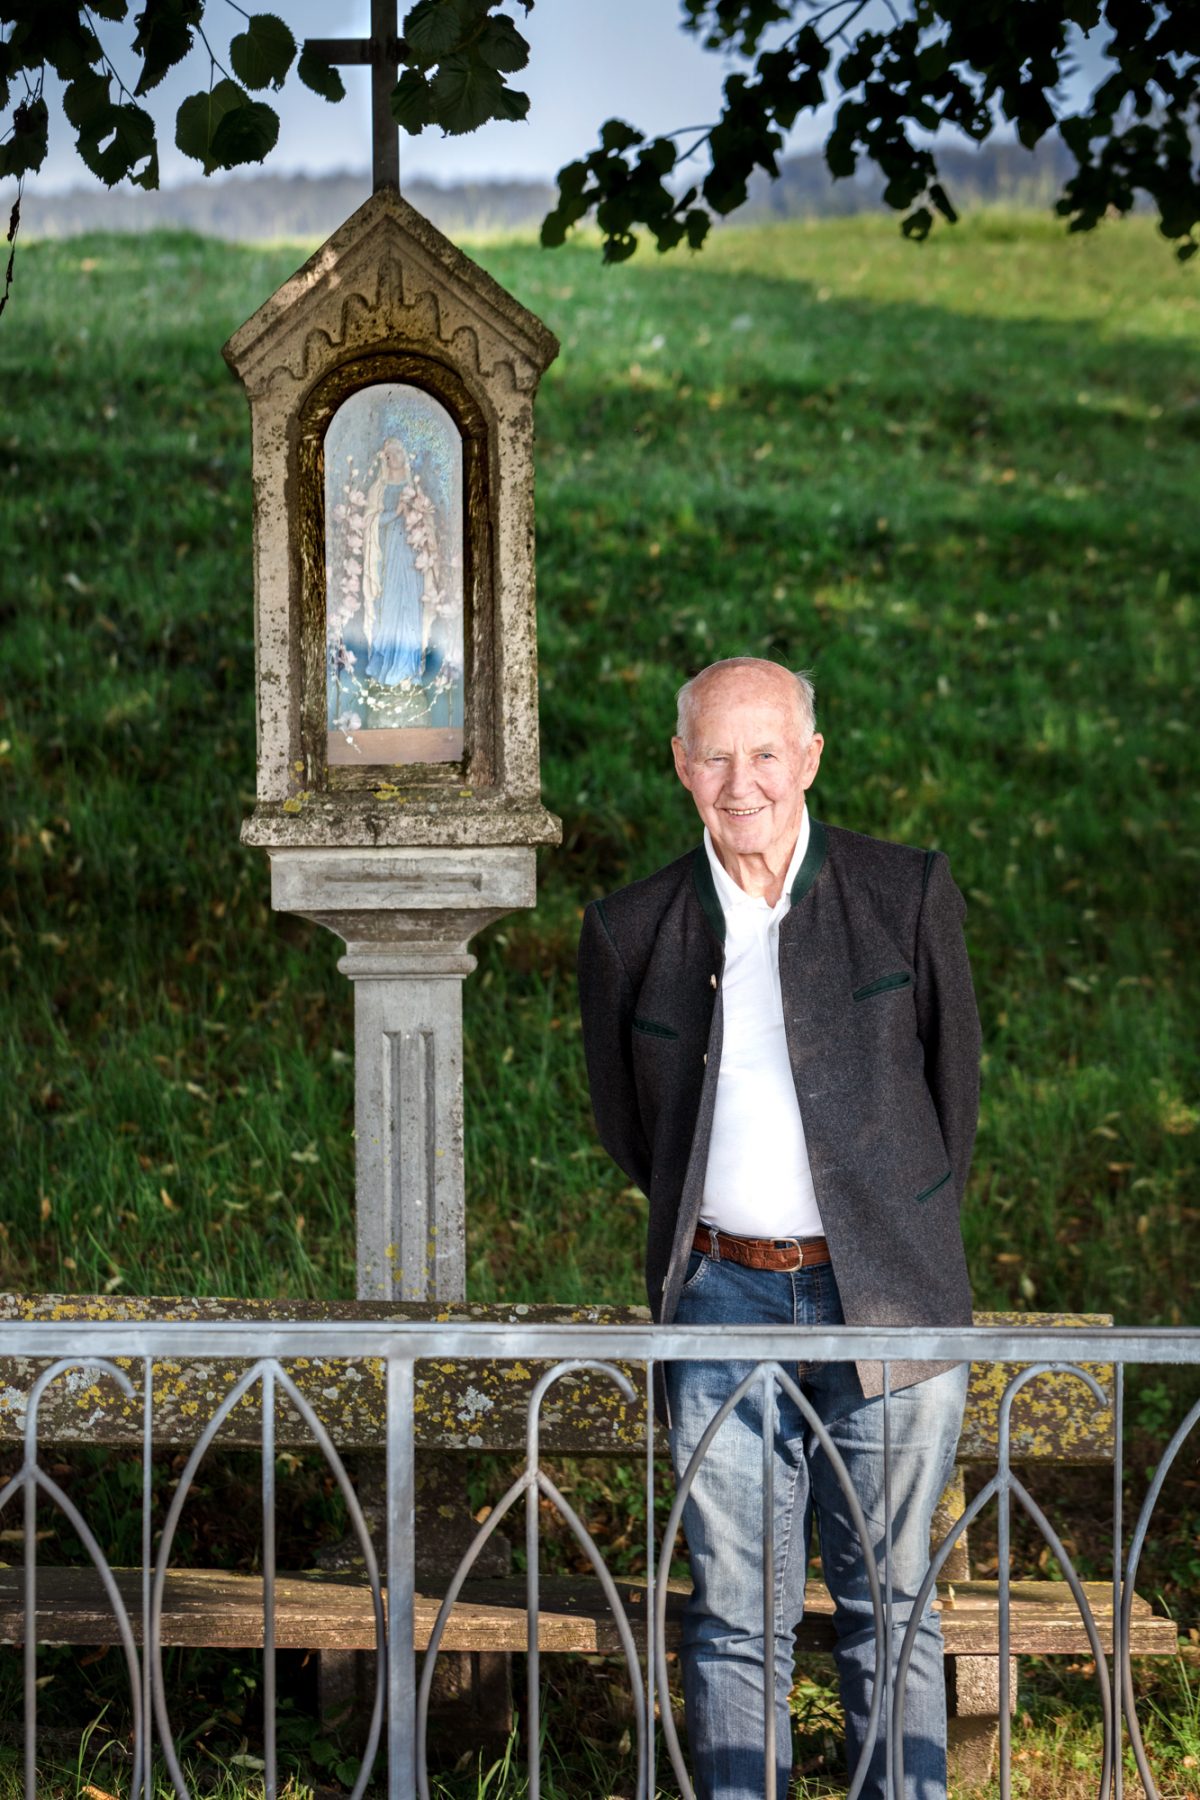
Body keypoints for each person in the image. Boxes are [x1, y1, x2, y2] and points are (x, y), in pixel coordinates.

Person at [577, 657, 980, 1800]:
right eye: (715, 754)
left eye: (766, 753)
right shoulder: (630, 929)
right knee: (734, 1609)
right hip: (720, 1298)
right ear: (681, 765)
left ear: (809, 759)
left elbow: (952, 1096)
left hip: (889, 1295)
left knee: (892, 1600)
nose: (741, 781)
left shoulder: (903, 891)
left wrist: (889, 1229)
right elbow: (633, 1130)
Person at [362, 437, 425, 686]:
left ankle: (407, 669)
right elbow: (370, 524)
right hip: (388, 555)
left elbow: (426, 523)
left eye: (398, 451)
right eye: (389, 453)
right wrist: (395, 512)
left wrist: (414, 516)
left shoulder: (414, 487)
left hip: (411, 556)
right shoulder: (378, 489)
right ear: (384, 459)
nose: (394, 456)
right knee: (389, 607)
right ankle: (386, 666)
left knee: (409, 607)